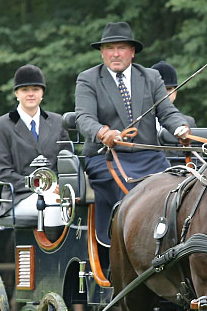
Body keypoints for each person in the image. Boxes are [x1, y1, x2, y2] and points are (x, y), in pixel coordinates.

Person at [74, 22, 189, 248]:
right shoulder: (88, 79)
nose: (115, 54)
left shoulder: (152, 77)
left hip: (149, 156)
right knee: (133, 192)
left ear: (132, 52)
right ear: (102, 52)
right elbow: (83, 118)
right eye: (109, 48)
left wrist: (180, 128)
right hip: (105, 157)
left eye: (122, 48)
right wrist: (103, 132)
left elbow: (167, 112)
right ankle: (126, 249)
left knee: (177, 189)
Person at [0, 64, 72, 238]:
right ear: (16, 93)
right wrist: (42, 188)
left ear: (42, 93)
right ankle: (53, 257)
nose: (30, 94)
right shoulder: (1, 126)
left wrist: (61, 186)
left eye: (35, 89)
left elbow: (66, 162)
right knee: (53, 203)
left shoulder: (58, 122)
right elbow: (2, 170)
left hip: (58, 192)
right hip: (19, 196)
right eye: (24, 89)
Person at [150, 61, 197, 157]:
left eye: (168, 89)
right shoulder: (139, 123)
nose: (164, 94)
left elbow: (196, 161)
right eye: (160, 90)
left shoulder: (188, 123)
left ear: (176, 92)